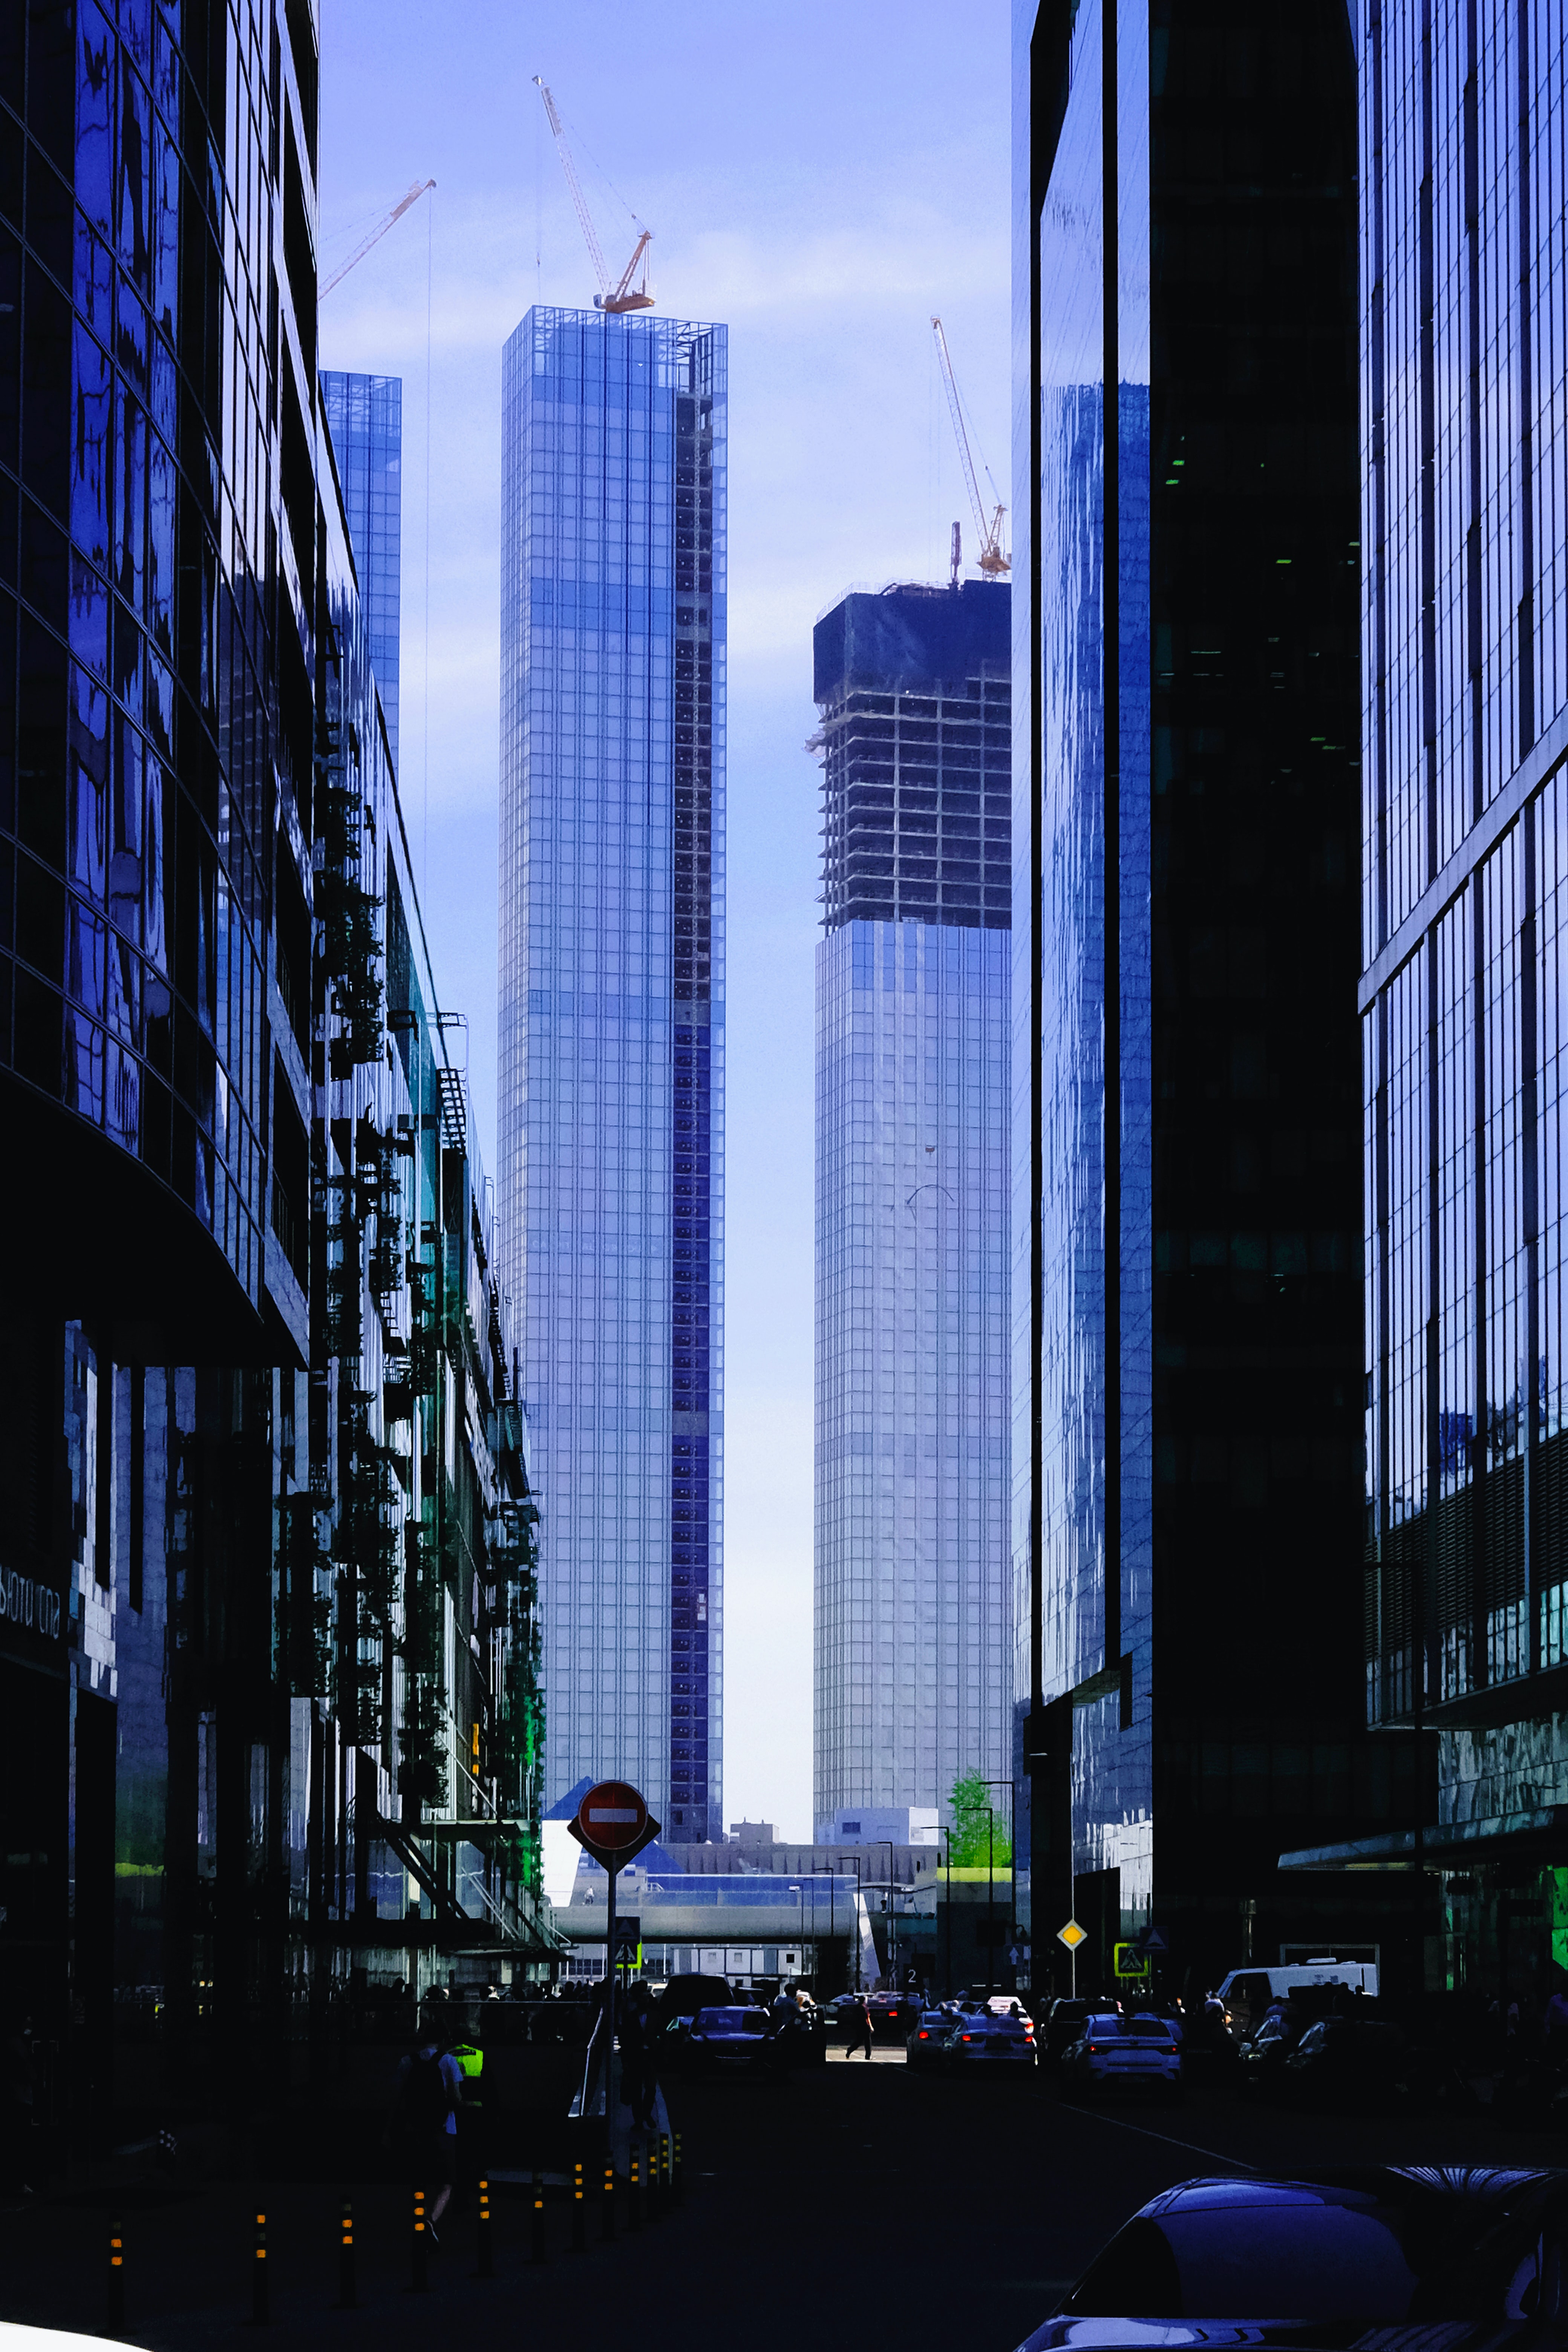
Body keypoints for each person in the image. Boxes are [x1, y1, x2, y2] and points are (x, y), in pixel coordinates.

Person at [395, 2004, 464, 2242]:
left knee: (419, 2179)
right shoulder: (447, 2062)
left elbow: (398, 2097)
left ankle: (418, 2219)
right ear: (444, 2039)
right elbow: (456, 2098)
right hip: (444, 2128)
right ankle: (430, 2222)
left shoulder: (407, 2062)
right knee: (446, 2183)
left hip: (415, 2128)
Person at [844, 1991, 874, 2060]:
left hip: (859, 2026)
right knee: (868, 2042)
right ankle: (868, 2056)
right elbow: (868, 2018)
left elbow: (854, 2017)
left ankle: (850, 2050)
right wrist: (871, 2026)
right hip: (865, 2026)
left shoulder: (857, 2007)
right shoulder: (865, 2008)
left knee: (859, 2041)